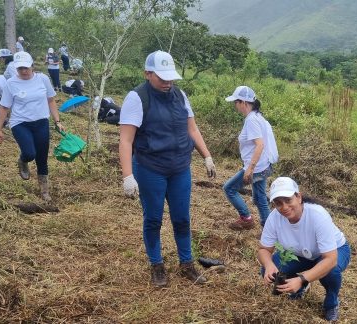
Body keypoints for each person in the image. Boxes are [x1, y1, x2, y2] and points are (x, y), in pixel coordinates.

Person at [118, 50, 216, 287]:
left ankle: (186, 263)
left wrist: (207, 155)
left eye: (170, 77)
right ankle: (157, 265)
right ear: (147, 74)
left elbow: (192, 129)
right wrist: (128, 175)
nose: (167, 82)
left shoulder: (180, 95)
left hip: (180, 167)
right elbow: (126, 140)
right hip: (151, 168)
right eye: (162, 78)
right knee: (153, 219)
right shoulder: (137, 98)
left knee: (182, 218)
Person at [258, 177, 351, 322]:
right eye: (278, 203)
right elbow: (264, 249)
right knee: (267, 270)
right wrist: (269, 265)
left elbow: (331, 259)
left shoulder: (317, 215)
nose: (284, 207)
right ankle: (300, 288)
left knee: (330, 271)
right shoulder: (274, 218)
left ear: (299, 197)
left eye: (288, 200)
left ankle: (331, 303)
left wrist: (302, 278)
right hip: (301, 253)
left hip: (333, 251)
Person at [0, 52, 65, 201]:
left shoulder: (43, 79)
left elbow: (51, 100)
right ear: (16, 68)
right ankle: (23, 160)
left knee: (42, 157)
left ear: (32, 66)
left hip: (41, 122)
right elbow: (4, 108)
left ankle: (44, 189)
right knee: (30, 153)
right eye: (20, 68)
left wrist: (57, 121)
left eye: (26, 68)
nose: (24, 71)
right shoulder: (11, 83)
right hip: (20, 123)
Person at [223, 86, 278, 230]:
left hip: (257, 167)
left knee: (229, 188)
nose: (235, 106)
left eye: (236, 102)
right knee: (259, 197)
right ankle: (268, 228)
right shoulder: (257, 116)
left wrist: (250, 169)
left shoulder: (251, 120)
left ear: (244, 103)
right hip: (263, 164)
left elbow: (259, 145)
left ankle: (246, 218)